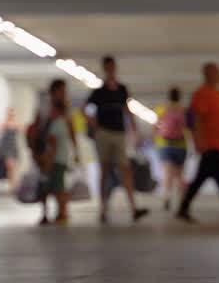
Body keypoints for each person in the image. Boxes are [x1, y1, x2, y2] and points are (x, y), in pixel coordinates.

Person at [177, 62, 219, 223]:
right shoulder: (202, 94)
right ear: (208, 74)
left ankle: (184, 207)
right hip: (211, 145)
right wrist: (199, 141)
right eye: (217, 72)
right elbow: (198, 119)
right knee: (218, 178)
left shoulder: (218, 94)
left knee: (205, 178)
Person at [85, 55, 149, 224]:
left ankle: (134, 208)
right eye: (109, 67)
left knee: (125, 168)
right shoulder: (98, 92)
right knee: (104, 171)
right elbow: (85, 109)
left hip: (119, 133)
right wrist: (95, 125)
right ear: (105, 69)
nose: (112, 70)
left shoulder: (122, 89)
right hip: (104, 133)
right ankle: (103, 208)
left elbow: (127, 110)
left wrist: (134, 129)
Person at [35, 79, 76, 225]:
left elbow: (71, 128)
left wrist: (75, 149)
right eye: (62, 90)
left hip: (60, 152)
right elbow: (38, 126)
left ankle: (62, 212)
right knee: (45, 182)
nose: (64, 94)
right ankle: (46, 213)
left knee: (58, 184)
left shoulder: (66, 109)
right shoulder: (46, 107)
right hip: (46, 150)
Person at [157, 87, 189, 211]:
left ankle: (167, 197)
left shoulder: (162, 109)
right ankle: (181, 199)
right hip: (181, 144)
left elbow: (155, 128)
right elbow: (187, 128)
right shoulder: (184, 110)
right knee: (179, 175)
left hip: (165, 144)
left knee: (167, 173)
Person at [0, 109, 21, 193]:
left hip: (13, 148)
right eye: (10, 114)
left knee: (12, 168)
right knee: (9, 167)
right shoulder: (3, 124)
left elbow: (20, 131)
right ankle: (12, 186)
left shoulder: (16, 124)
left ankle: (13, 186)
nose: (11, 116)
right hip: (5, 148)